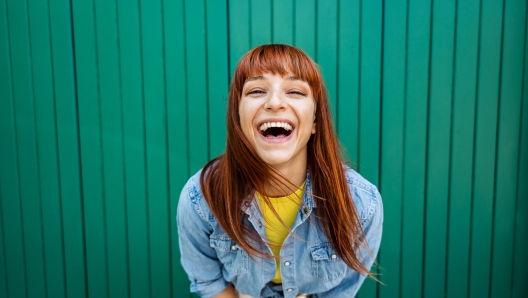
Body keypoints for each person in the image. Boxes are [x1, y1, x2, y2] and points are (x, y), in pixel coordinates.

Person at [177, 44, 383, 298]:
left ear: (315, 121)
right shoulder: (200, 198)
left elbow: (342, 290)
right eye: (257, 90)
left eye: (295, 91)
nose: (274, 102)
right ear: (238, 117)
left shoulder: (362, 203)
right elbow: (207, 280)